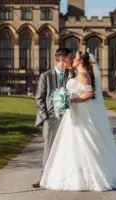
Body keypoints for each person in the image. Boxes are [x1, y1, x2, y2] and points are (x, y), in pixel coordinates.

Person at [40, 51, 116, 191]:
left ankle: (91, 177)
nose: (72, 59)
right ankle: (77, 174)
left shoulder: (83, 74)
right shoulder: (78, 72)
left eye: (75, 58)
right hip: (74, 113)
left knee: (85, 143)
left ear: (80, 61)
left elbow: (88, 94)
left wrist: (69, 100)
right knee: (72, 144)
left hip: (81, 113)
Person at [32, 48, 73, 188]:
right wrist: (46, 117)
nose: (71, 60)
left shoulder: (72, 75)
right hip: (51, 117)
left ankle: (65, 176)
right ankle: (44, 177)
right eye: (70, 58)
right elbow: (39, 98)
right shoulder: (46, 76)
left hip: (69, 118)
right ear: (62, 59)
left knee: (68, 148)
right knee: (49, 148)